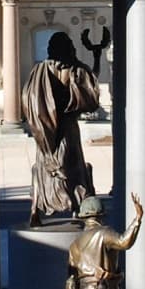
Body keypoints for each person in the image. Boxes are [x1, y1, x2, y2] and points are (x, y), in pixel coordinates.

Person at [20, 31, 101, 227]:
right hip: (63, 127)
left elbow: (29, 99)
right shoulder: (72, 69)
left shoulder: (42, 70)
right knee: (71, 167)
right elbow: (91, 84)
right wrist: (96, 56)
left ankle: (38, 209)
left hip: (46, 130)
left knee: (46, 167)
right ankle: (70, 205)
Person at [65, 195, 143, 289]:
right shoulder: (104, 232)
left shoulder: (74, 245)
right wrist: (137, 219)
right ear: (101, 215)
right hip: (103, 288)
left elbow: (71, 280)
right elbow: (124, 242)